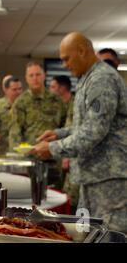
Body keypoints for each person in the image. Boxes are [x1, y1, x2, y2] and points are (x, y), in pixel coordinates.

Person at [31, 32, 127, 233]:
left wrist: (53, 148)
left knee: (109, 234)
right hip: (92, 176)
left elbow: (94, 132)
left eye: (66, 58)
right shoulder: (87, 78)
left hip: (109, 178)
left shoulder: (102, 79)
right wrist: (59, 134)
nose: (64, 65)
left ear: (82, 51)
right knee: (87, 233)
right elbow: (86, 125)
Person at [9, 62, 67, 189]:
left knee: (55, 199)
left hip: (54, 159)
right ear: (26, 78)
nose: (35, 78)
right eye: (31, 75)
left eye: (38, 74)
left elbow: (65, 127)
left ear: (44, 76)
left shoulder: (57, 100)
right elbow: (15, 132)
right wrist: (18, 157)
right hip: (31, 161)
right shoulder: (21, 102)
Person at [50, 75, 79, 212]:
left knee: (72, 197)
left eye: (53, 87)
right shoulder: (59, 105)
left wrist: (67, 156)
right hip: (61, 154)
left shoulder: (75, 103)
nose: (50, 90)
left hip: (72, 156)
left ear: (62, 88)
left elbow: (77, 132)